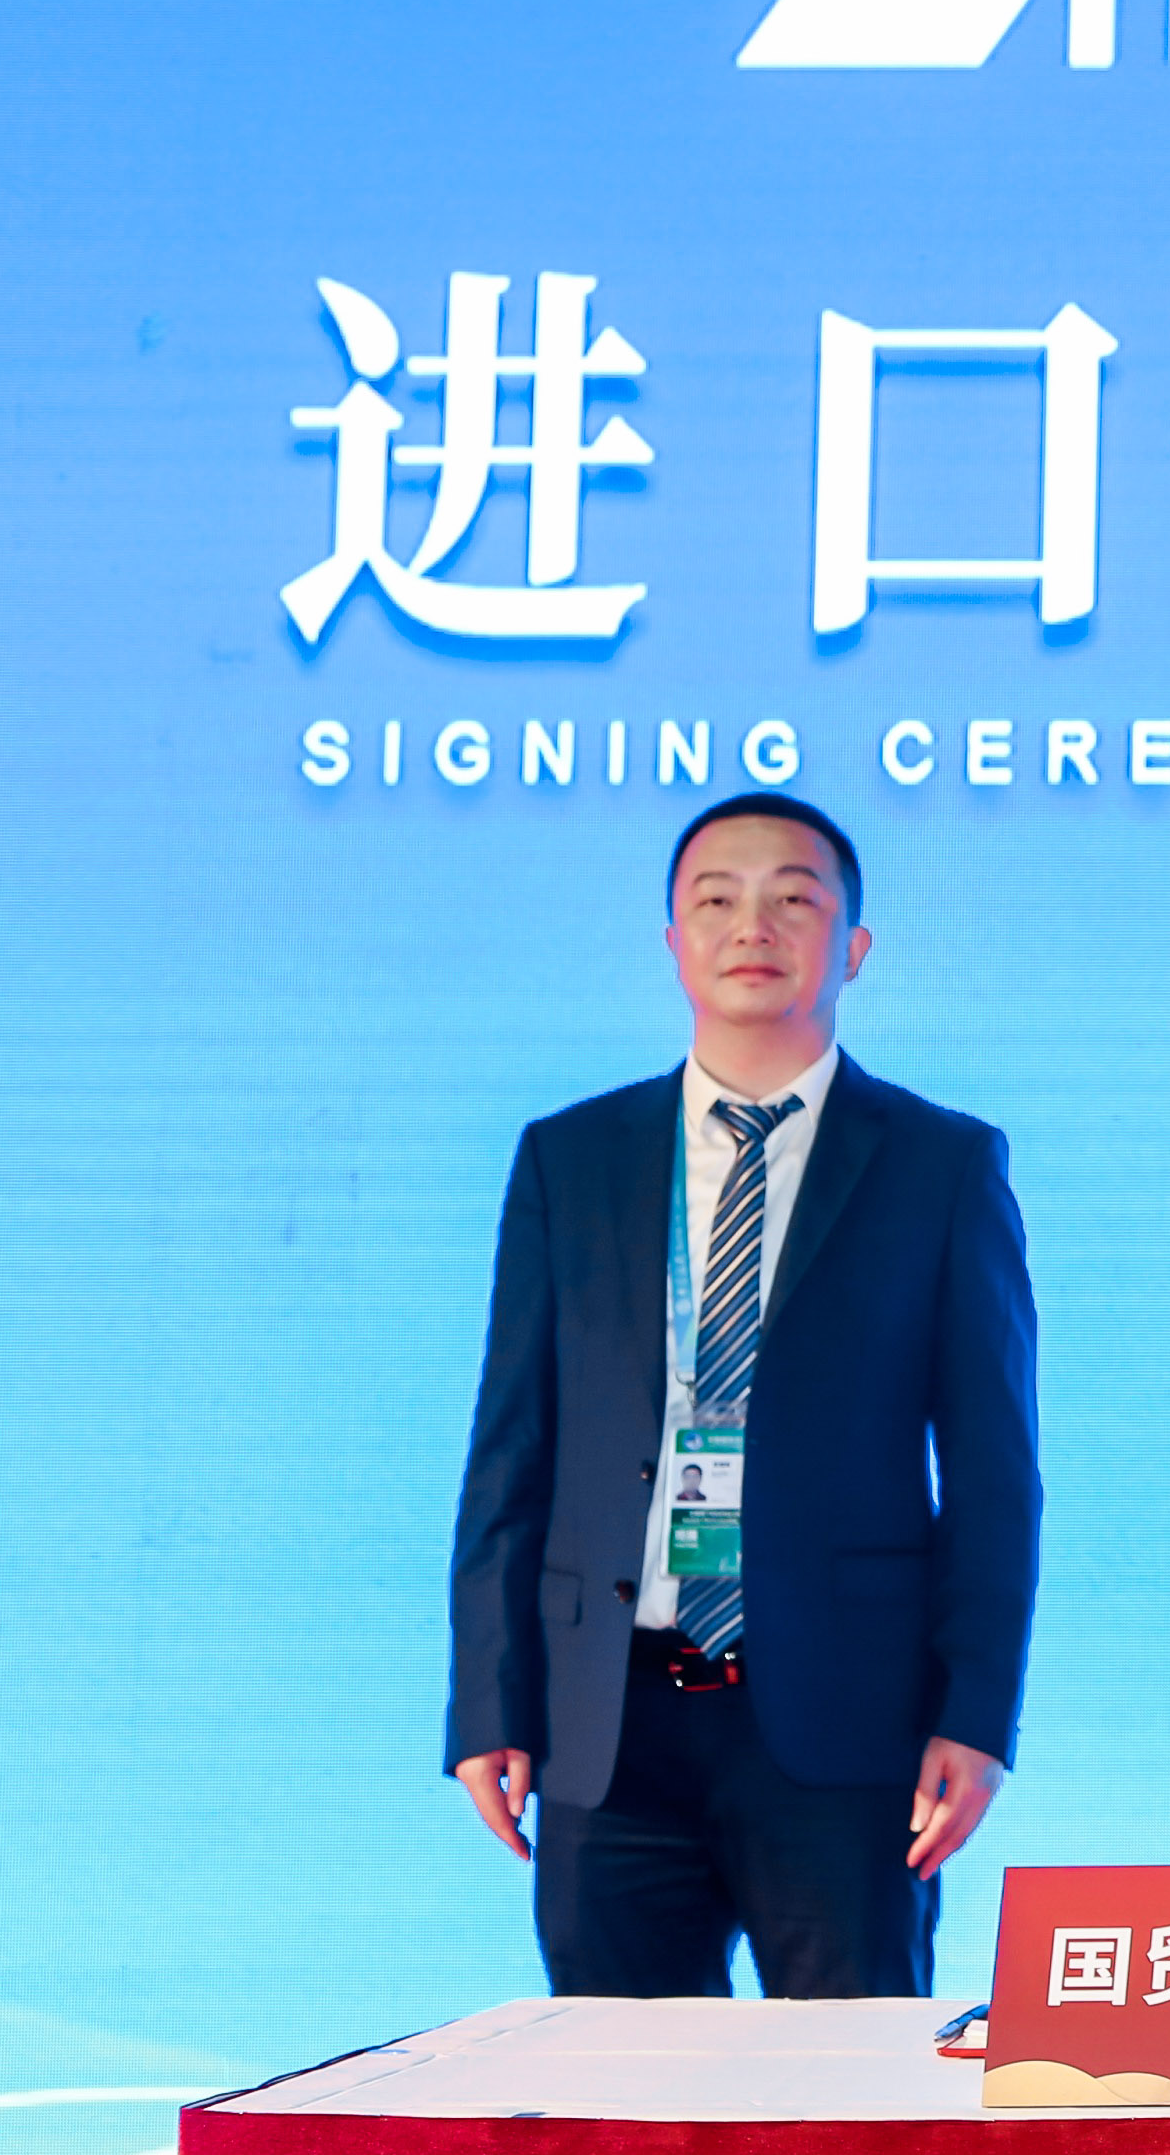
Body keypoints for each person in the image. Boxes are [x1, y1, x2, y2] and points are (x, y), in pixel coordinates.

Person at [441, 797, 1040, 1997]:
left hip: (842, 1722)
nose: (752, 926)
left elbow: (992, 1473)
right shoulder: (573, 1158)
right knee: (620, 2090)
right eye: (716, 898)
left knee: (847, 2087)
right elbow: (513, 1445)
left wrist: (976, 1713)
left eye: (794, 899)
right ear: (674, 940)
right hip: (610, 1717)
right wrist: (487, 1701)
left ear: (853, 947)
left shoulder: (939, 1164)